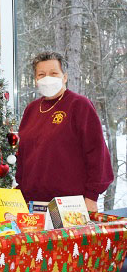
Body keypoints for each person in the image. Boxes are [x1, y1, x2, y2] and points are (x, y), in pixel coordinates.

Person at [15, 51, 113, 212]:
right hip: (34, 204)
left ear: (64, 77)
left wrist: (91, 196)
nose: (47, 78)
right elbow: (24, 156)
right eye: (41, 74)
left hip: (71, 204)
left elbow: (97, 153)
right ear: (36, 79)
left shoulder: (79, 105)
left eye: (54, 73)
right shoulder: (31, 110)